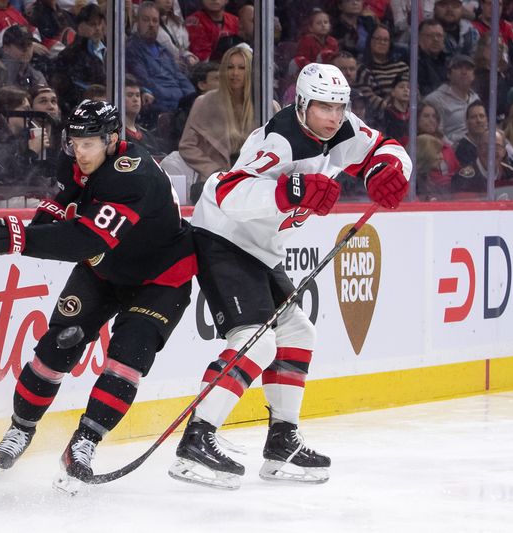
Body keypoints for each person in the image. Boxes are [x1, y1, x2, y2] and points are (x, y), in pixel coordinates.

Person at [168, 63, 412, 490]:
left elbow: (384, 148)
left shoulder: (341, 129)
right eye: (323, 108)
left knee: (299, 332)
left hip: (262, 248)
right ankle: (197, 439)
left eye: (339, 107)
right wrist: (288, 191)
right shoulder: (279, 140)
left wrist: (388, 170)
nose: (333, 117)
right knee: (255, 342)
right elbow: (228, 191)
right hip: (223, 235)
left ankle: (282, 443)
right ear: (301, 103)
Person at [0, 100, 196, 492]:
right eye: (74, 142)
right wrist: (11, 231)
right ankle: (20, 431)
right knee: (56, 347)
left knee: (128, 359)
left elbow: (86, 238)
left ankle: (84, 443)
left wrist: (13, 238)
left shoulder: (132, 174)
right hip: (103, 271)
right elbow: (56, 212)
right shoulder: (73, 161)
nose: (80, 152)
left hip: (160, 279)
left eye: (88, 143)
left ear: (111, 140)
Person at [179, 44, 277, 201]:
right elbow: (187, 146)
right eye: (230, 67)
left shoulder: (267, 106)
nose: (235, 73)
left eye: (241, 68)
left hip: (255, 182)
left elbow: (278, 147)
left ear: (250, 72)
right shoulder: (204, 102)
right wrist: (213, 170)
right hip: (215, 182)